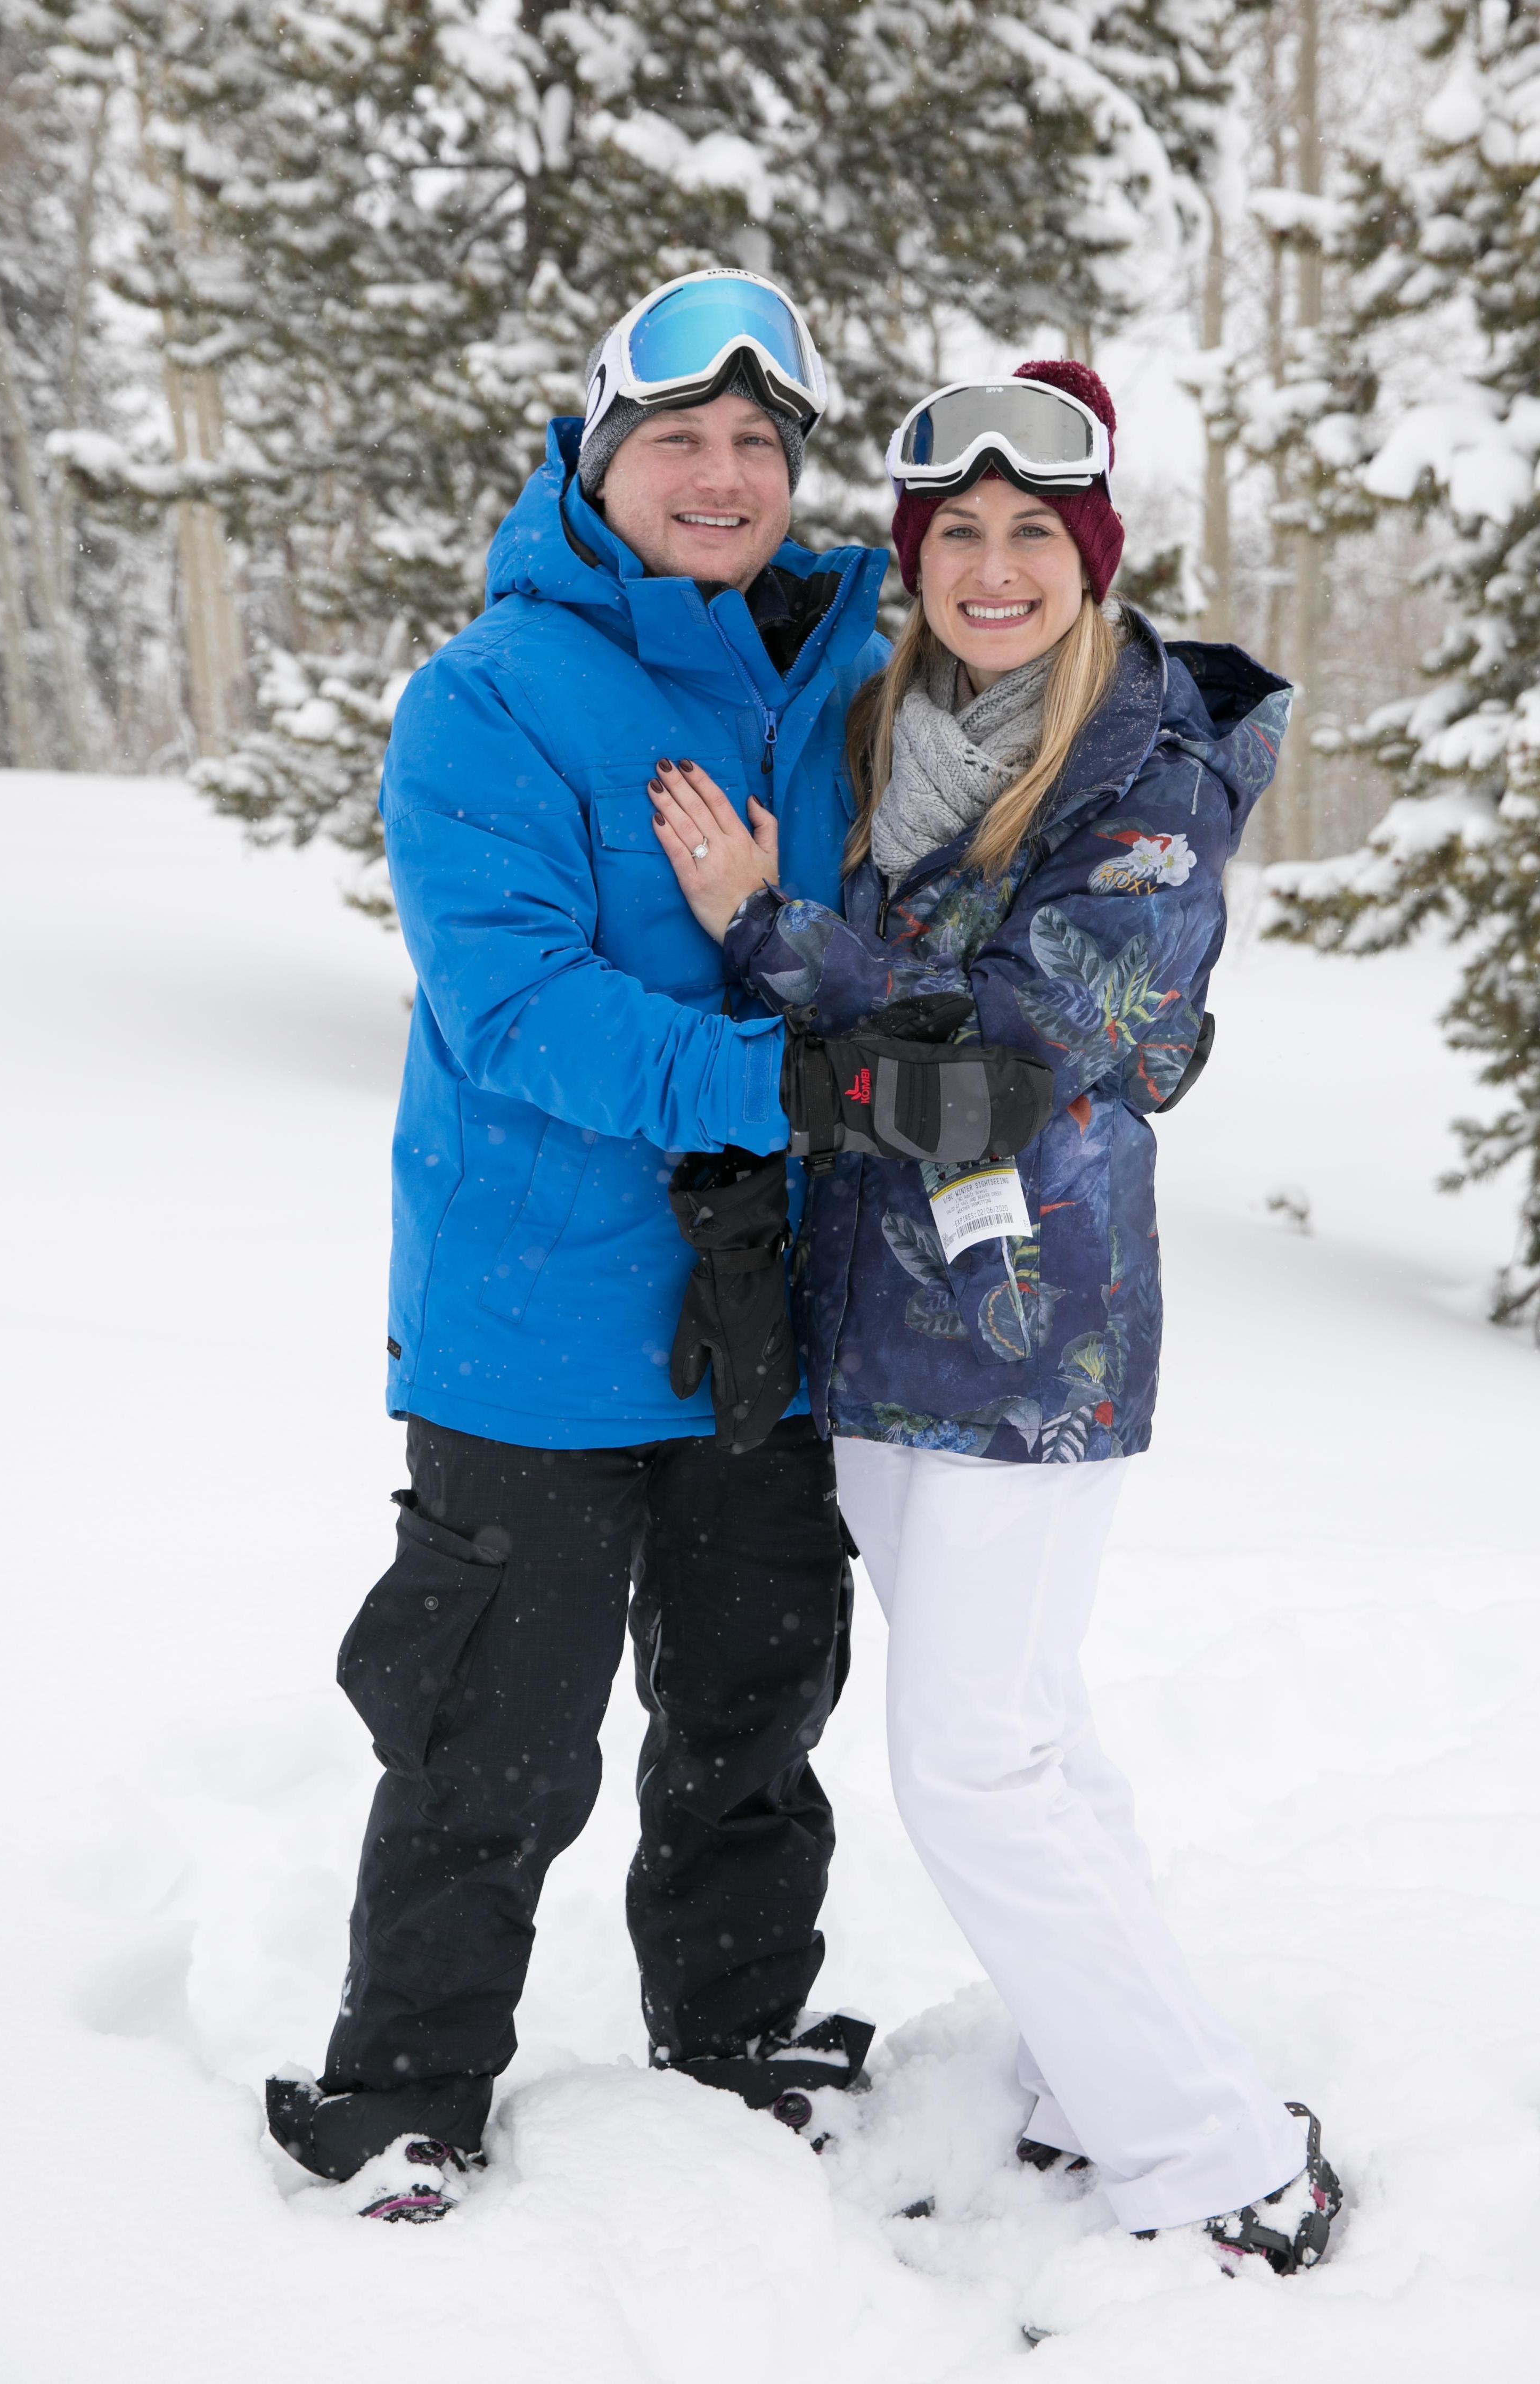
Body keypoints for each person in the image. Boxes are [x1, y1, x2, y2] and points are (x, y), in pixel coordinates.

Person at [265, 274, 1052, 2222]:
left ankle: (738, 2040)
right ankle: (409, 2093)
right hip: (534, 1314)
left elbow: (1032, 704)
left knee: (752, 1711)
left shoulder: (834, 679)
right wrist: (795, 1084)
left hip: (762, 1309)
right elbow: (514, 1007)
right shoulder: (490, 696)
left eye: (758, 446)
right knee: (495, 1738)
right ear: (596, 458)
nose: (720, 477)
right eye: (678, 442)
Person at [645, 361, 1347, 2274]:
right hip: (880, 1322)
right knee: (1028, 1737)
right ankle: (1087, 2077)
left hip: (1034, 1344)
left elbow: (1021, 1054)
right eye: (958, 532)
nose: (994, 566)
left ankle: (1221, 2164)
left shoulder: (1145, 770)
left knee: (970, 1770)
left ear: (1094, 556)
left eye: (1036, 531)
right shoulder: (896, 732)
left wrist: (772, 929)